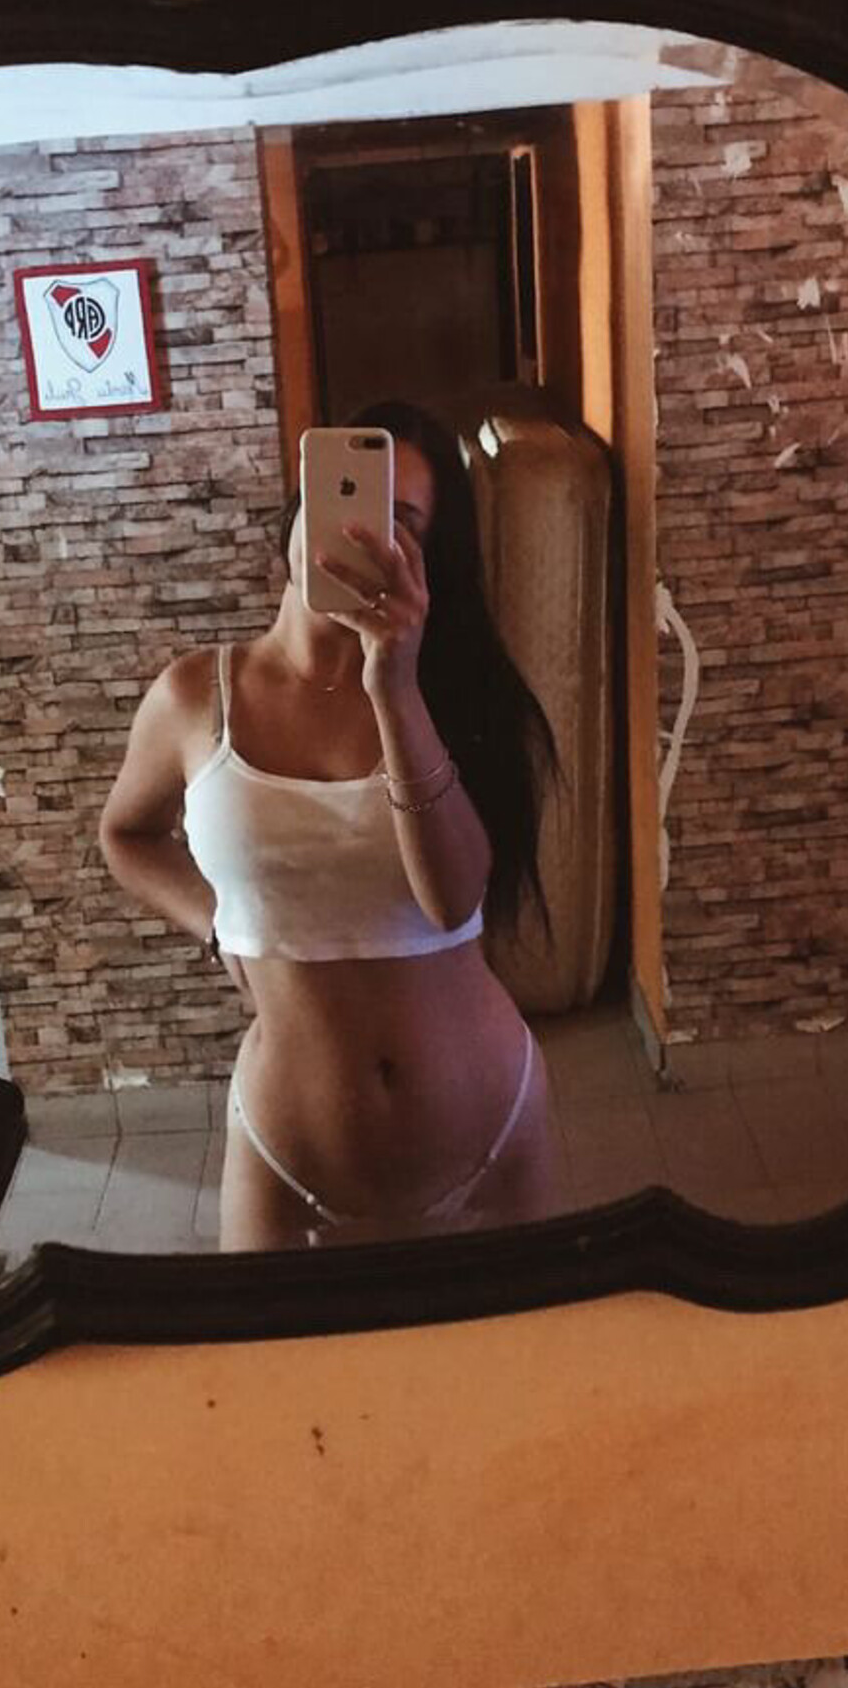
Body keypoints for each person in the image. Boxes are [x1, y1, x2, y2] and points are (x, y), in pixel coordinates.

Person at [99, 398, 564, 1250]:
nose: (361, 535)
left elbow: (452, 900)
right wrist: (219, 925)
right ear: (299, 505)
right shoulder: (195, 697)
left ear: (429, 560)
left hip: (488, 1132)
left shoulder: (455, 696)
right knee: (263, 1343)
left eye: (401, 523)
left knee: (525, 1341)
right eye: (344, 498)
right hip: (287, 1150)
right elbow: (125, 835)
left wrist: (396, 688)